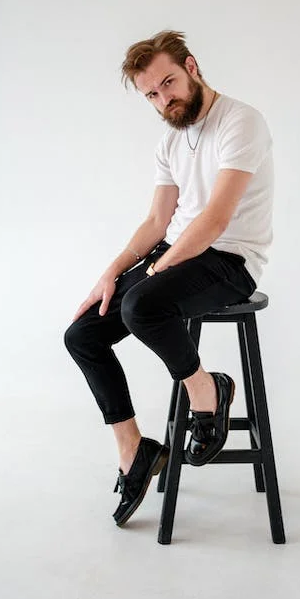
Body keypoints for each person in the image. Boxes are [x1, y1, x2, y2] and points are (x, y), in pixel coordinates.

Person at [64, 30, 274, 527]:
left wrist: (156, 271)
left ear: (191, 67)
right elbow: (158, 221)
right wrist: (113, 272)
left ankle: (207, 390)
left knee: (142, 306)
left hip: (229, 261)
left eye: (169, 84)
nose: (164, 100)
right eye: (152, 95)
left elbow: (215, 220)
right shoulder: (171, 140)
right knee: (82, 335)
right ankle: (133, 450)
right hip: (177, 255)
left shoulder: (240, 121)